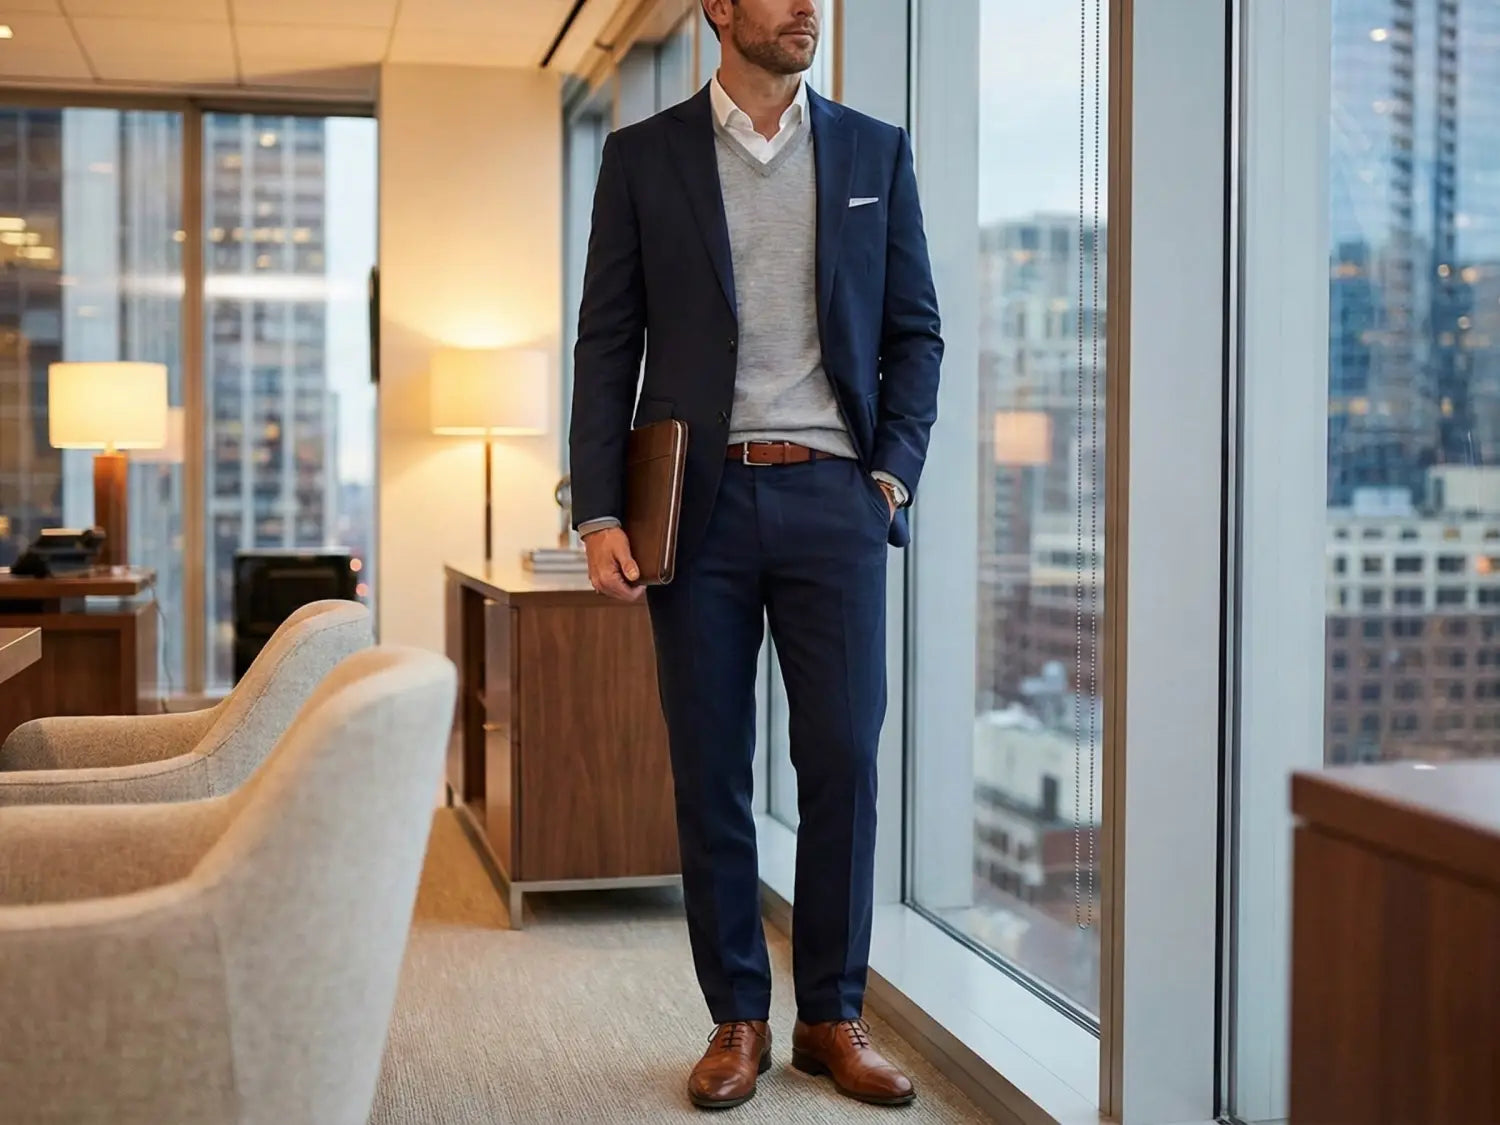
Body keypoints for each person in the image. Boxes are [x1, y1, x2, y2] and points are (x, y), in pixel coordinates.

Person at [568, 0, 942, 1110]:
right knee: (711, 768)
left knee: (844, 761)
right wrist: (600, 512)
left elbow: (916, 331)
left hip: (836, 497)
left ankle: (831, 1014)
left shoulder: (875, 151)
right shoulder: (643, 158)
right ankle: (737, 1015)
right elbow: (607, 342)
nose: (806, 7)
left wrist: (891, 475)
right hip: (701, 505)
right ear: (719, 11)